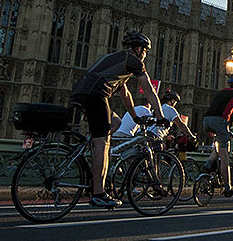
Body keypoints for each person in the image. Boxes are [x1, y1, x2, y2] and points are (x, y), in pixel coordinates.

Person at [70, 31, 164, 208]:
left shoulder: (115, 58)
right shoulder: (134, 61)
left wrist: (135, 117)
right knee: (103, 144)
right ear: (138, 49)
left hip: (80, 92)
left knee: (116, 122)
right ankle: (98, 192)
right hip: (96, 95)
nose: (145, 55)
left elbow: (125, 94)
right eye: (145, 51)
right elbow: (149, 90)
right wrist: (160, 117)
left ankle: (91, 153)